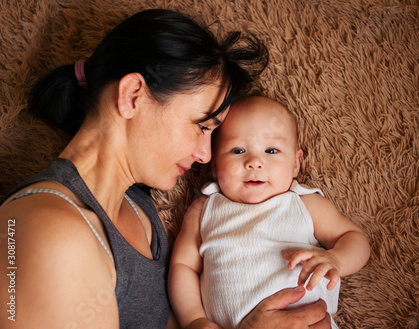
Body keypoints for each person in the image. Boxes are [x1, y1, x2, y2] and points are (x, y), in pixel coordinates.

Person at [0, 9, 332, 329]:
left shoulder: (136, 201)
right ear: (133, 96)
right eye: (202, 126)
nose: (206, 155)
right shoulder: (50, 234)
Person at [168, 96, 371, 329]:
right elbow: (183, 267)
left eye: (271, 150)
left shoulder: (305, 204)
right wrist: (193, 319)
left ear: (296, 163)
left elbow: (356, 239)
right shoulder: (205, 209)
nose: (254, 162)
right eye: (238, 150)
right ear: (214, 165)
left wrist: (337, 259)